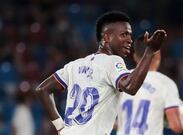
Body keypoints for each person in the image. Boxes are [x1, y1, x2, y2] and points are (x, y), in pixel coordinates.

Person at [35, 11, 167, 135]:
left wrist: (60, 127)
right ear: (107, 37)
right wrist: (149, 51)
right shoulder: (112, 61)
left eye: (130, 35)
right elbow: (130, 87)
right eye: (124, 34)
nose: (129, 40)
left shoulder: (74, 65)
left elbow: (42, 90)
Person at [116, 35, 183, 135]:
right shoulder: (166, 83)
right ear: (158, 55)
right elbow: (176, 126)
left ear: (134, 57)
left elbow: (108, 120)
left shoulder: (121, 80)